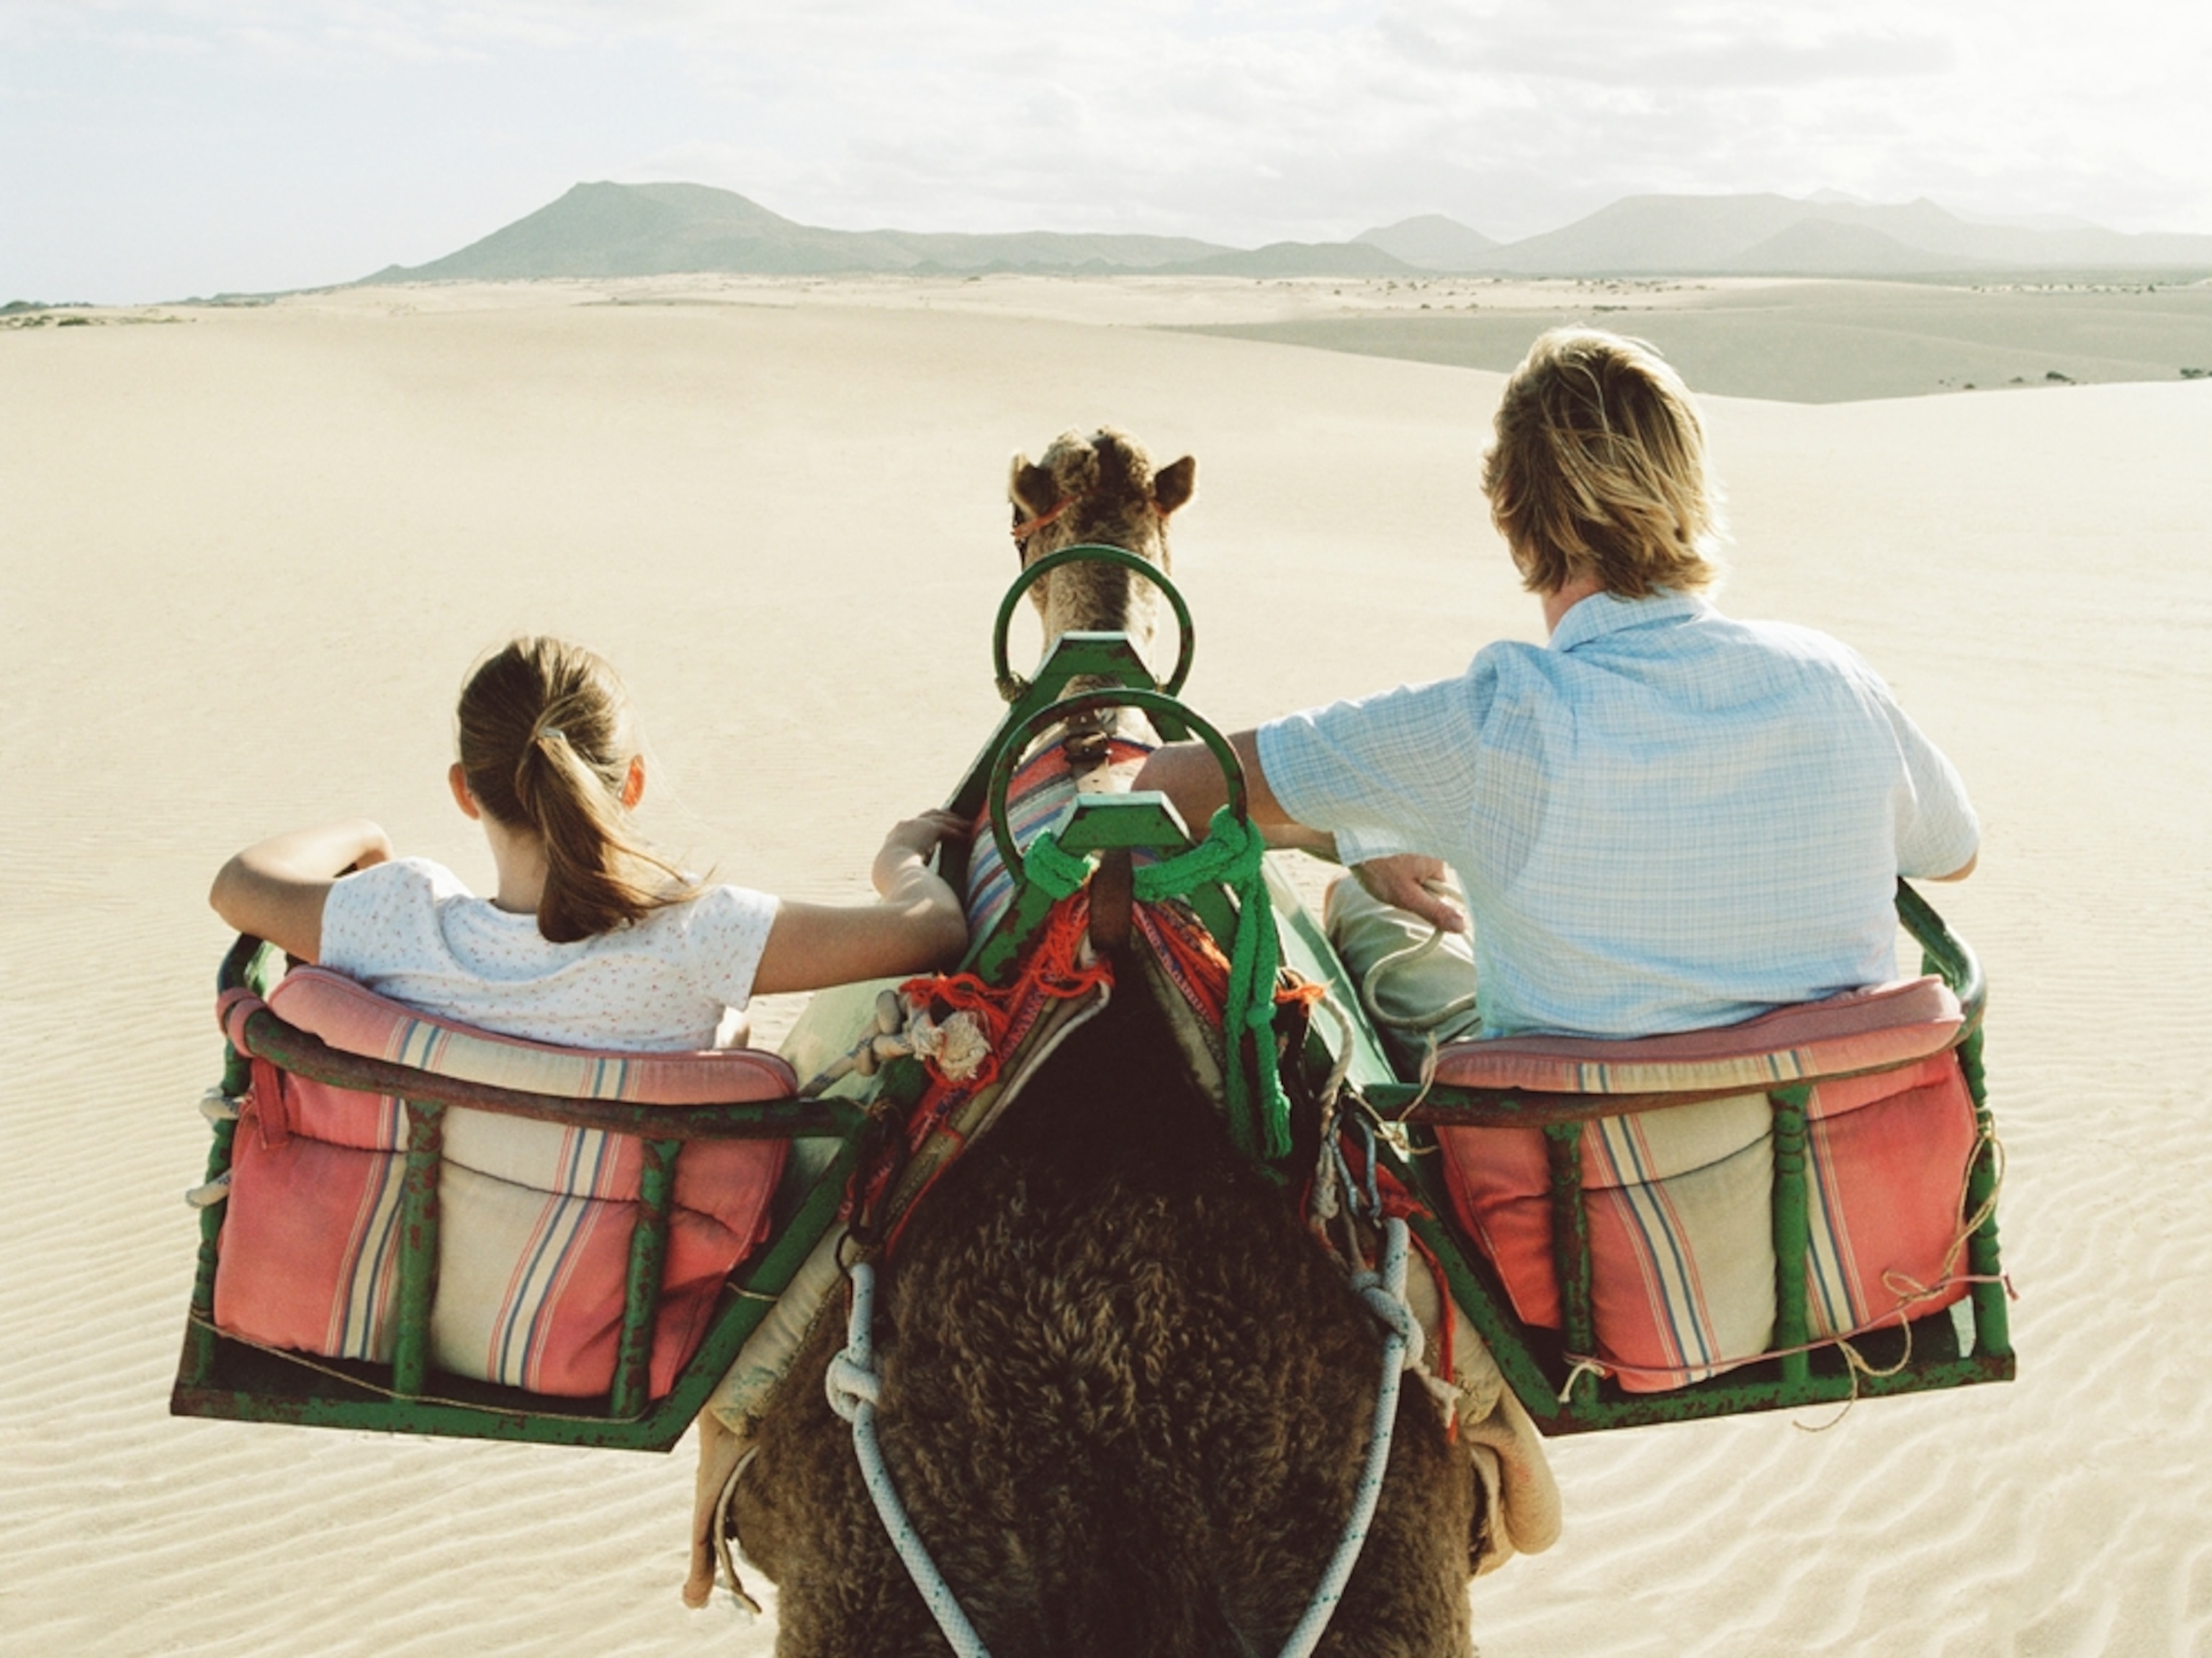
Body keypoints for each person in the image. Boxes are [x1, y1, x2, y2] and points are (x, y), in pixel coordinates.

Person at [1134, 328, 1978, 1043]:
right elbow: (1955, 852)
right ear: (1688, 487)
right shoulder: (1836, 681)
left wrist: (1347, 838)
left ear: (1507, 505)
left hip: (1575, 1195)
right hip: (1833, 1183)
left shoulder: (1497, 723)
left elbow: (1161, 787)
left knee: (1365, 906)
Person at [210, 635, 968, 1049]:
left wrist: (369, 837)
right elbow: (933, 929)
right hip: (629, 1304)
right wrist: (895, 859)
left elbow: (238, 882)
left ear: (464, 791)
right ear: (629, 783)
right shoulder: (700, 935)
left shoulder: (394, 920)